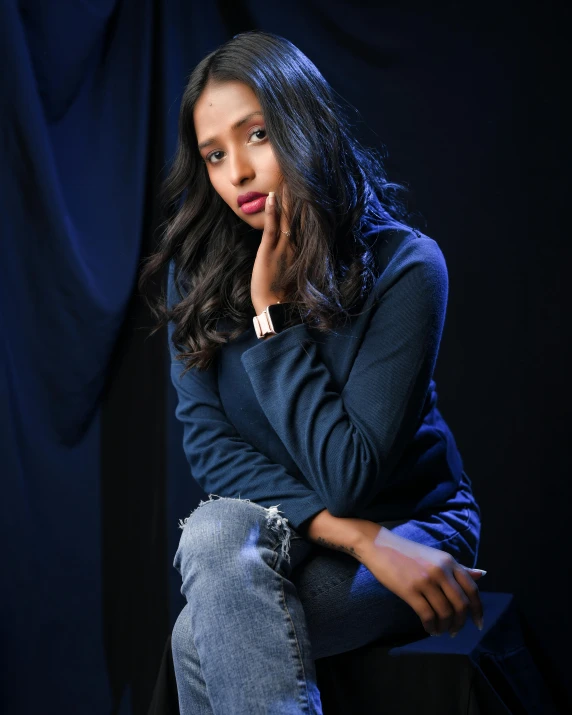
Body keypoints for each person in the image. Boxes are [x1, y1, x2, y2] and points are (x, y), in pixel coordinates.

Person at [141, 29, 485, 715]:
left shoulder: (408, 269)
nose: (236, 171)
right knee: (214, 532)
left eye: (257, 134)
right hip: (347, 536)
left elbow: (350, 474)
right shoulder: (201, 274)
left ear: (300, 123)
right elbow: (213, 454)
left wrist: (275, 318)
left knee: (193, 634)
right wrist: (359, 539)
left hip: (412, 524)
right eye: (214, 154)